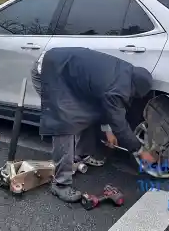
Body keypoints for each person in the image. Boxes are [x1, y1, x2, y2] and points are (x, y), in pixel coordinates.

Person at [33, 47, 157, 203]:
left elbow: (103, 103)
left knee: (86, 113)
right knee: (64, 123)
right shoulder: (117, 88)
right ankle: (60, 184)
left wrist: (107, 130)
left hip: (66, 71)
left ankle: (79, 156)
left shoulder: (125, 72)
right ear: (135, 90)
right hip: (49, 70)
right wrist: (139, 151)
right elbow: (118, 122)